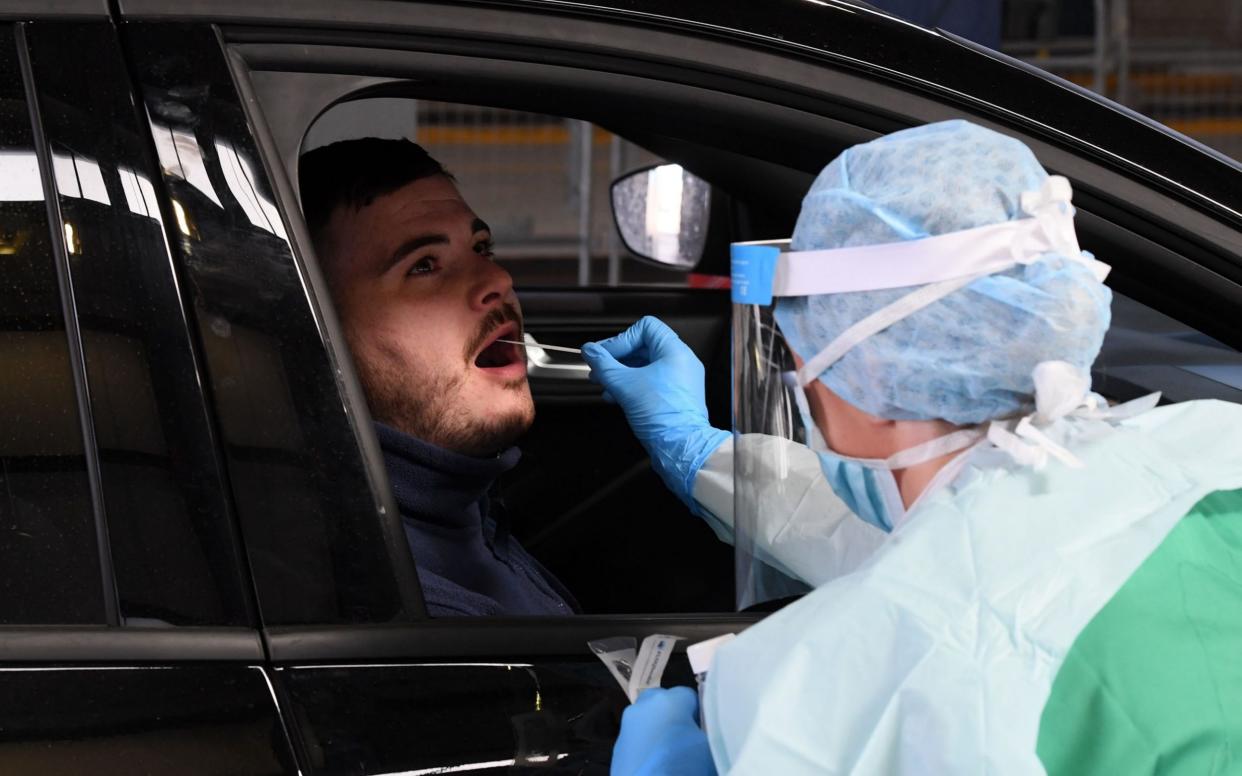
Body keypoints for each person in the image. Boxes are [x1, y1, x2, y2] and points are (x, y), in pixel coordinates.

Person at [584, 120, 1242, 773]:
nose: (803, 379)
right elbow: (960, 552)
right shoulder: (1216, 445)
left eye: (802, 355)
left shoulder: (812, 705)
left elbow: (936, 589)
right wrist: (699, 452)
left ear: (867, 368)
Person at [300, 138, 576, 617]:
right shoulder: (411, 617)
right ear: (320, 333)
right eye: (424, 265)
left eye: (481, 247)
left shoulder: (466, 508)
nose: (498, 280)